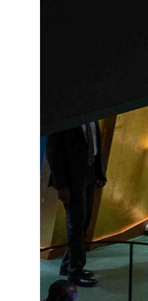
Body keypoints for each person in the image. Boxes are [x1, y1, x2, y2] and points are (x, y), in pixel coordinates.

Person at [45, 122, 107, 287]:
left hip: (90, 175)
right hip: (71, 182)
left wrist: (100, 173)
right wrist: (61, 186)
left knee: (83, 222)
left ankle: (68, 266)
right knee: (76, 225)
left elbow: (96, 147)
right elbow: (53, 153)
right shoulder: (66, 117)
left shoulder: (94, 117)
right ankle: (75, 273)